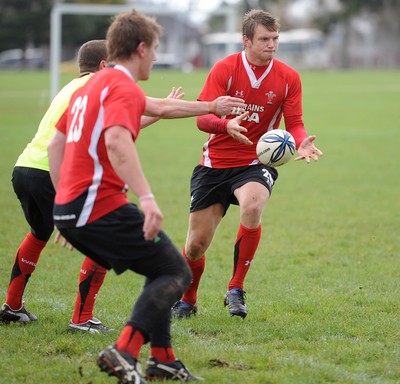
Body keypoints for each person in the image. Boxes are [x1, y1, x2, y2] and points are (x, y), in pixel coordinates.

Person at [47, 10, 244, 383]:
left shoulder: (93, 84)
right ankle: (124, 350)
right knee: (175, 271)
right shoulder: (119, 87)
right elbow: (117, 141)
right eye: (154, 49)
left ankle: (164, 359)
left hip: (74, 208)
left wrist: (211, 107)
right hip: (100, 206)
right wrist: (148, 198)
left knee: (162, 268)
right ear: (140, 48)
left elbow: (58, 144)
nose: (156, 56)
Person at [171, 9, 323, 320]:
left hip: (255, 162)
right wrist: (224, 126)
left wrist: (302, 139)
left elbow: (295, 122)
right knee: (196, 246)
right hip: (214, 164)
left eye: (275, 38)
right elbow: (201, 117)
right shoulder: (225, 69)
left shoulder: (289, 78)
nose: (272, 45)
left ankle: (236, 288)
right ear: (246, 40)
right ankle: (188, 299)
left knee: (253, 206)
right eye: (265, 39)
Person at [0, 40, 113, 333]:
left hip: (24, 167)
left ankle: (12, 307)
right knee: (102, 238)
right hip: (51, 172)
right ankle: (82, 318)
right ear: (103, 65)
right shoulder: (95, 89)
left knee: (39, 233)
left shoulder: (69, 88)